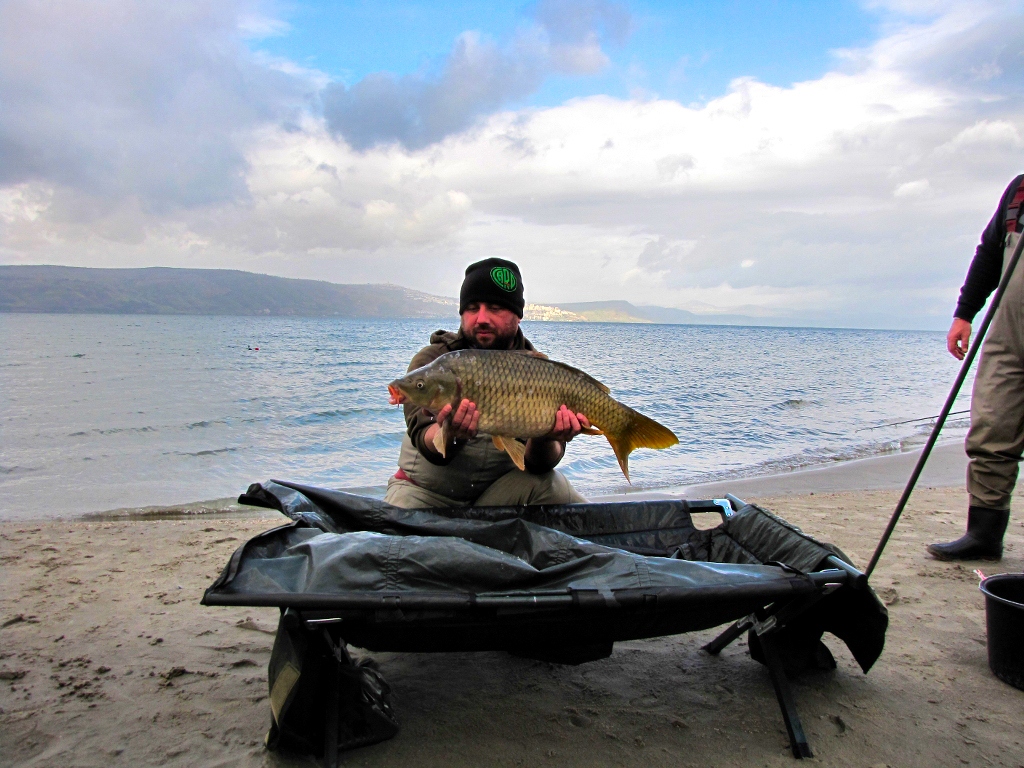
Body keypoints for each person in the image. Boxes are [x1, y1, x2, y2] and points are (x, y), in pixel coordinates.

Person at [384, 257, 589, 509]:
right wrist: (452, 434)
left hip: (497, 499)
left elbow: (539, 464)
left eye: (494, 307)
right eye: (472, 308)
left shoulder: (538, 371)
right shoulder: (432, 363)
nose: (481, 318)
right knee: (395, 530)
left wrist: (548, 437)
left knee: (553, 486)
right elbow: (428, 443)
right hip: (426, 494)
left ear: (517, 315)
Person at [929, 173, 1024, 560]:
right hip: (1009, 329)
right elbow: (989, 252)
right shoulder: (1020, 189)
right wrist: (965, 313)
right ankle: (984, 534)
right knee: (991, 428)